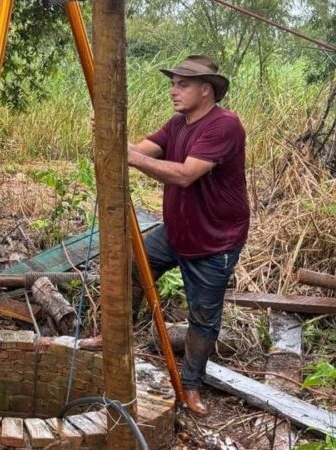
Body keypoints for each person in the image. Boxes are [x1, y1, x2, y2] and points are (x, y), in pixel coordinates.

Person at [127, 54, 249, 416]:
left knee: (203, 316)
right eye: (173, 83)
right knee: (134, 269)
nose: (173, 91)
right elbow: (140, 150)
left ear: (206, 91)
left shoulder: (224, 125)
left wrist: (130, 158)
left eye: (183, 84)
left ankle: (192, 385)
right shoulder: (178, 123)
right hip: (177, 231)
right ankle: (115, 337)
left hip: (215, 240)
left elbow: (184, 174)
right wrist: (110, 136)